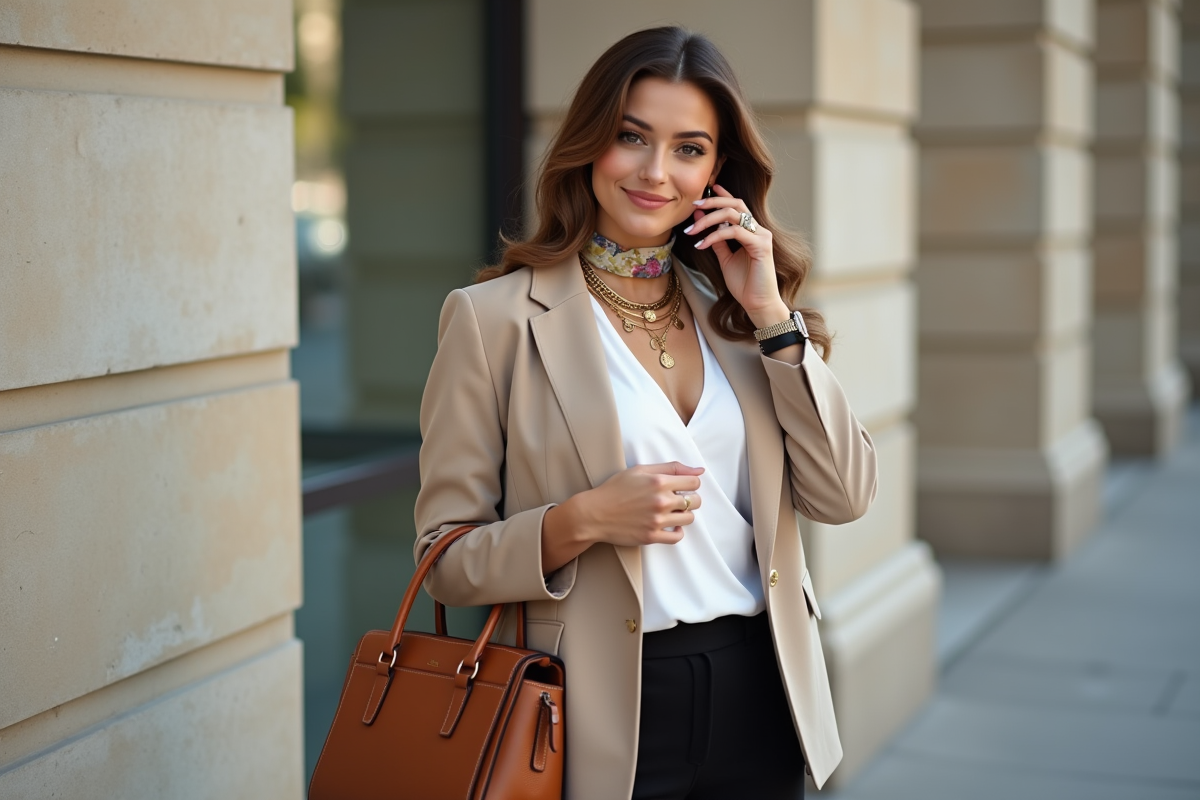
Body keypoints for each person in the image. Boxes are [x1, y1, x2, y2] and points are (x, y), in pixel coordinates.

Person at [413, 26, 877, 800]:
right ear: (590, 143)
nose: (656, 172)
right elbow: (444, 557)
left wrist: (769, 312)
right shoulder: (492, 320)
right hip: (595, 711)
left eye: (689, 148)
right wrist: (582, 520)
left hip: (761, 691)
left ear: (717, 172)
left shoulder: (742, 322)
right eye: (632, 137)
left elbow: (844, 494)